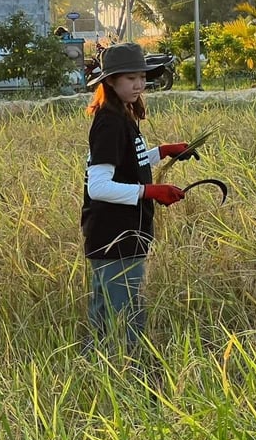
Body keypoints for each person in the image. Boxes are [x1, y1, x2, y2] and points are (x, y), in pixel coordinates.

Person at [81, 43, 198, 354]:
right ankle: (129, 372)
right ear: (111, 81)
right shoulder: (109, 122)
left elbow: (126, 162)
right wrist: (150, 191)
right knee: (125, 315)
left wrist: (162, 152)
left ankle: (96, 369)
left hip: (117, 233)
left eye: (142, 77)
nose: (138, 84)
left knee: (106, 316)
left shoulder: (121, 116)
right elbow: (99, 186)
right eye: (130, 78)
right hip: (115, 236)